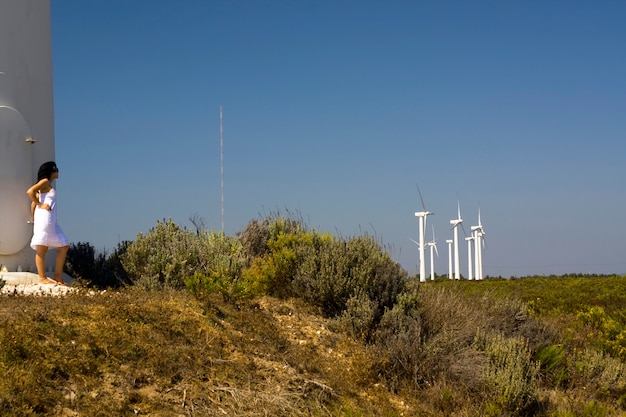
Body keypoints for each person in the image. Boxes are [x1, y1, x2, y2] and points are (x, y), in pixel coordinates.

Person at [26, 161, 70, 285]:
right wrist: (41, 205)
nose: (58, 171)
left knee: (64, 245)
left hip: (49, 219)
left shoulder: (47, 184)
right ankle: (42, 278)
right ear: (51, 171)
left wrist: (34, 215)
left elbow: (33, 203)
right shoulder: (45, 181)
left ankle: (57, 275)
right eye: (55, 168)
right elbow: (30, 192)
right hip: (45, 218)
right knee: (42, 248)